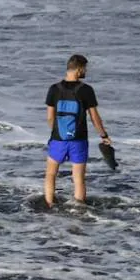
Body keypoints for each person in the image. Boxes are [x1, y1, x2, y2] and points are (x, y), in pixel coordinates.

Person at [43, 54, 111, 207]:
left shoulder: (54, 89)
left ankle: (49, 205)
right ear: (79, 69)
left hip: (58, 139)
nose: (86, 71)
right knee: (78, 178)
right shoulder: (86, 90)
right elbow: (95, 118)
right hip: (79, 140)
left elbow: (49, 117)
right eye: (85, 68)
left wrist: (57, 132)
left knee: (51, 174)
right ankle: (79, 209)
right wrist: (104, 135)